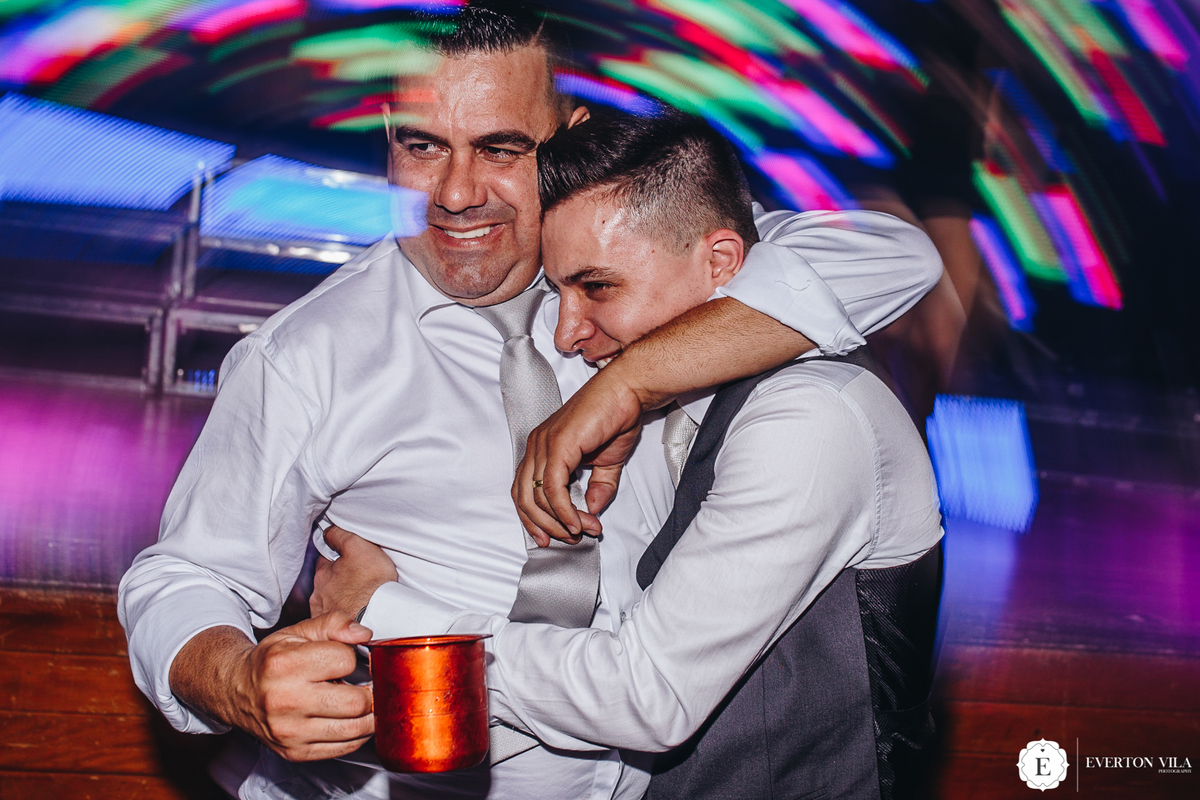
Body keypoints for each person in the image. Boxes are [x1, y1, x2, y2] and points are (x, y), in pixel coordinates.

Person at [117, 3, 943, 799]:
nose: (456, 192)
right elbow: (185, 575)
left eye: (501, 148)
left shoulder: (635, 271)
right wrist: (237, 678)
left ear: (569, 136)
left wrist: (629, 380)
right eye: (423, 146)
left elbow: (894, 258)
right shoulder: (306, 354)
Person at [317, 109, 944, 800]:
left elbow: (647, 697)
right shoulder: (683, 390)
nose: (564, 333)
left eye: (597, 286)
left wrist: (394, 613)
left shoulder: (809, 418)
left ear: (723, 264)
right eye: (556, 291)